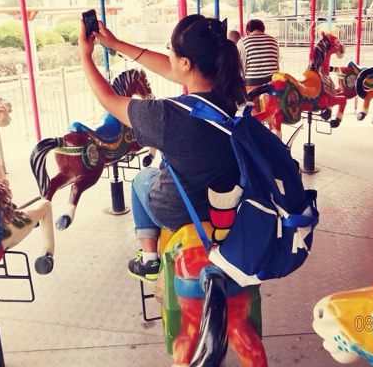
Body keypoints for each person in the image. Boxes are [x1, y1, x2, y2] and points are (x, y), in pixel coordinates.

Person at [79, 15, 245, 282]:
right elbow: (170, 68)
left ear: (186, 63)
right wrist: (116, 44)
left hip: (179, 209)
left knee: (142, 178)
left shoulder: (167, 115)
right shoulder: (233, 96)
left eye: (171, 48)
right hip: (227, 205)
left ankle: (149, 260)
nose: (168, 54)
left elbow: (109, 99)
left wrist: (85, 57)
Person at [239, 19, 280, 93]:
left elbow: (241, 66)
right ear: (263, 30)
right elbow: (276, 62)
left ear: (247, 31)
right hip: (273, 83)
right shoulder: (273, 40)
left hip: (252, 84)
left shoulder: (243, 42)